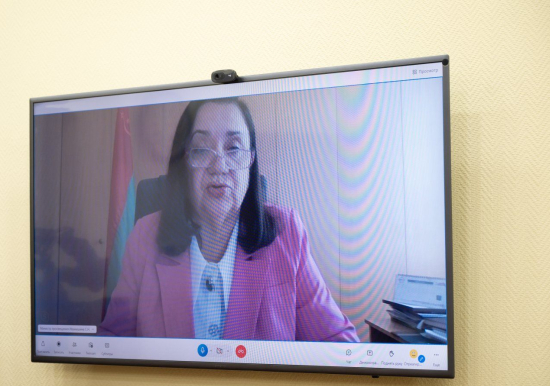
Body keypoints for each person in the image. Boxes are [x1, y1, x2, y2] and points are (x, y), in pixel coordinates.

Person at [98, 98, 358, 342]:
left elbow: (338, 342)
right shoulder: (145, 236)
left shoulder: (286, 232)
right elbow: (112, 343)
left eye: (234, 148)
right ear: (185, 160)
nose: (219, 166)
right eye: (202, 149)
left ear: (251, 159)